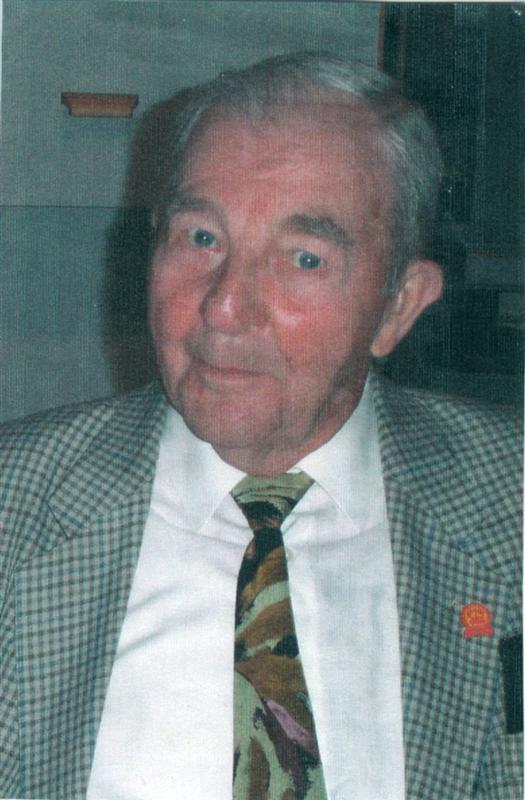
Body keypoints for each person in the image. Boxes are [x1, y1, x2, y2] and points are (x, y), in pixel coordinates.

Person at [0, 52, 521, 800]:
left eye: (303, 259)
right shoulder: (15, 507)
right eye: (200, 239)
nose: (224, 308)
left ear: (398, 305)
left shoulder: (509, 507)